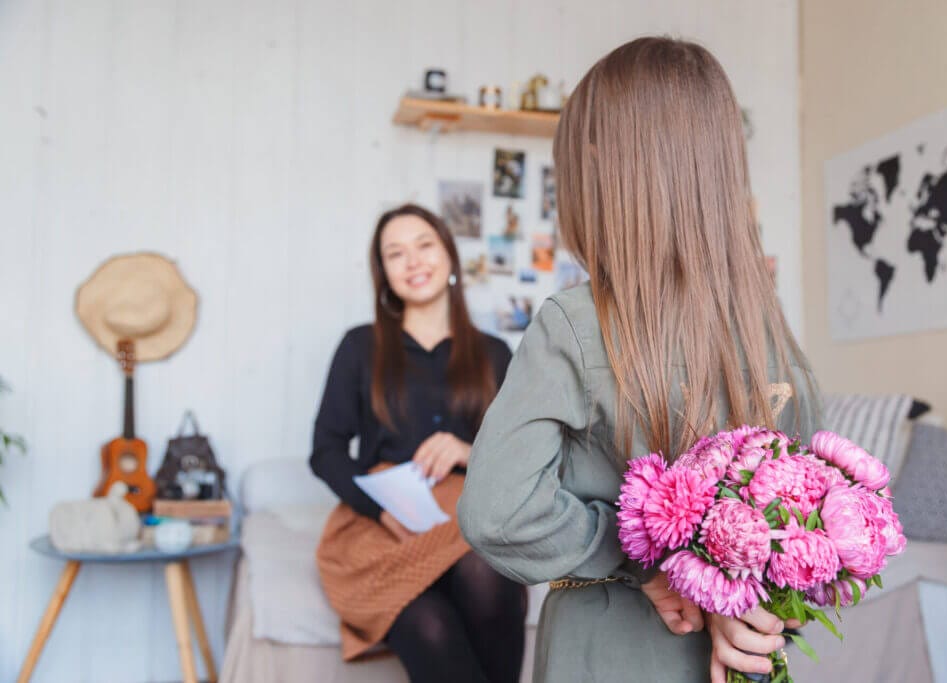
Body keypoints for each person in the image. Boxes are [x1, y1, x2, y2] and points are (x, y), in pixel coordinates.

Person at [457, 38, 822, 683]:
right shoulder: (772, 337)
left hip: (602, 655)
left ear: (601, 173)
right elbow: (804, 540)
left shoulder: (574, 323)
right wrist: (750, 612)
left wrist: (646, 563)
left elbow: (497, 512)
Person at [311, 204, 527, 683]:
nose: (413, 261)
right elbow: (325, 452)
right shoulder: (359, 347)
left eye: (424, 245)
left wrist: (468, 452)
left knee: (486, 575)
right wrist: (380, 508)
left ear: (449, 255)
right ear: (384, 273)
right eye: (395, 253)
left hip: (467, 521)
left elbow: (524, 457)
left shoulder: (494, 354)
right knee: (429, 624)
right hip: (385, 526)